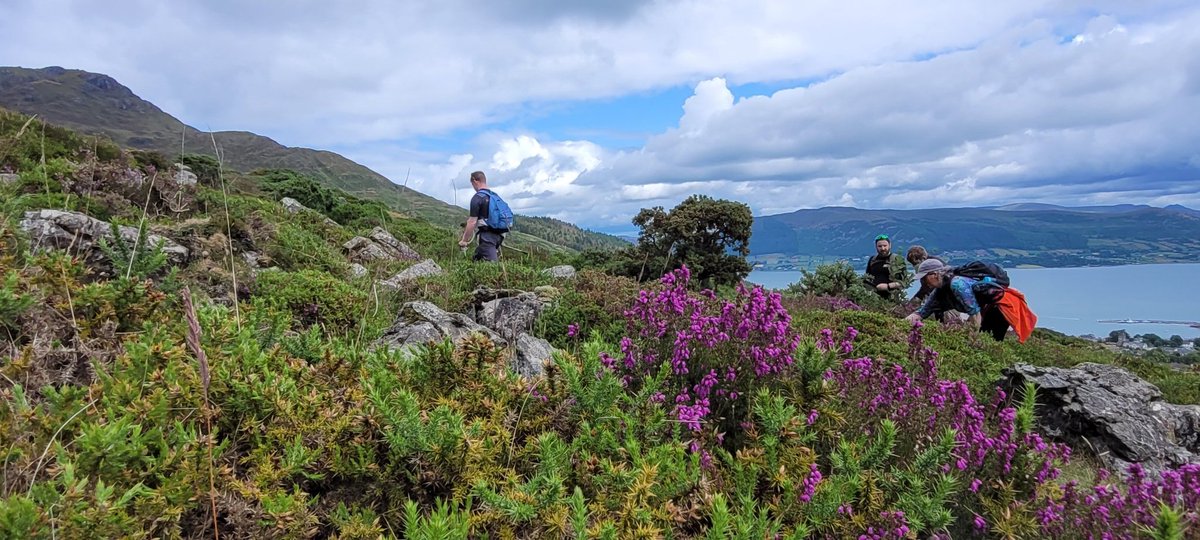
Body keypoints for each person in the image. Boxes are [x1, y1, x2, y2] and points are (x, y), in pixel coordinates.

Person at [904, 259, 1037, 342]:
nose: (923, 282)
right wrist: (899, 325)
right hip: (985, 309)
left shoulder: (957, 284)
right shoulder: (939, 291)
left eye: (924, 278)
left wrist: (972, 341)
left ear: (934, 274)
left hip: (999, 308)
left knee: (989, 340)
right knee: (984, 339)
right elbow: (921, 313)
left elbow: (975, 315)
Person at [458, 171, 505, 262]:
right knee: (477, 259)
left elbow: (472, 222)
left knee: (492, 265)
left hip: (487, 237)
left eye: (472, 184)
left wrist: (464, 240)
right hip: (501, 235)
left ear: (475, 181)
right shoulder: (495, 196)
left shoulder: (477, 198)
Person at [864, 234, 907, 301]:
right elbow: (867, 278)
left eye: (885, 245)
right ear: (876, 247)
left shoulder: (897, 260)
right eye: (880, 246)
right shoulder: (872, 260)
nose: (883, 248)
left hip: (892, 298)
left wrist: (888, 286)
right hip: (874, 298)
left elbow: (905, 282)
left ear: (890, 245)